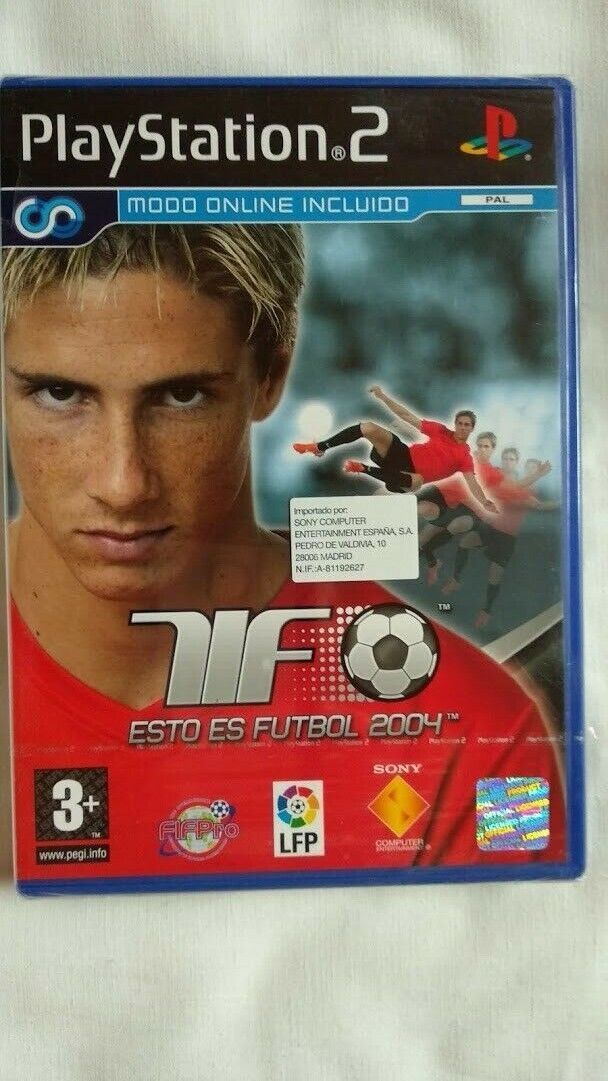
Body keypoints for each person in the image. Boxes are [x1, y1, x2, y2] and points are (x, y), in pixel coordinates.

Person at [4, 225, 565, 886]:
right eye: (60, 393)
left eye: (182, 396)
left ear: (270, 374)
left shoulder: (484, 739)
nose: (123, 484)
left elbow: (522, 946)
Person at [294, 385, 497, 511]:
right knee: (369, 427)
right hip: (401, 455)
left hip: (406, 479)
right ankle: (320, 446)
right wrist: (383, 397)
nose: (462, 427)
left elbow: (472, 484)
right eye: (460, 423)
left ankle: (363, 469)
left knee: (418, 481)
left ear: (472, 428)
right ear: (455, 423)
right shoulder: (440, 431)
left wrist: (484, 502)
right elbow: (407, 416)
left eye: (467, 425)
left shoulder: (465, 457)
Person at [441, 450, 557, 627]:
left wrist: (563, 503)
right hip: (491, 528)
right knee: (465, 542)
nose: (531, 471)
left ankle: (486, 610)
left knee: (494, 576)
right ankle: (455, 580)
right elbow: (499, 485)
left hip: (506, 538)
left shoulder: (528, 493)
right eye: (529, 468)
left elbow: (538, 505)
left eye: (534, 469)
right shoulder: (508, 481)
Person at [418, 431, 504, 585]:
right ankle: (433, 563)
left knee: (454, 525)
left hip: (461, 510)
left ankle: (438, 566)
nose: (482, 449)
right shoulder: (465, 459)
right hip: (442, 500)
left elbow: (489, 496)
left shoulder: (494, 474)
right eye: (479, 446)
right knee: (419, 542)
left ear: (493, 449)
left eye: (486, 446)